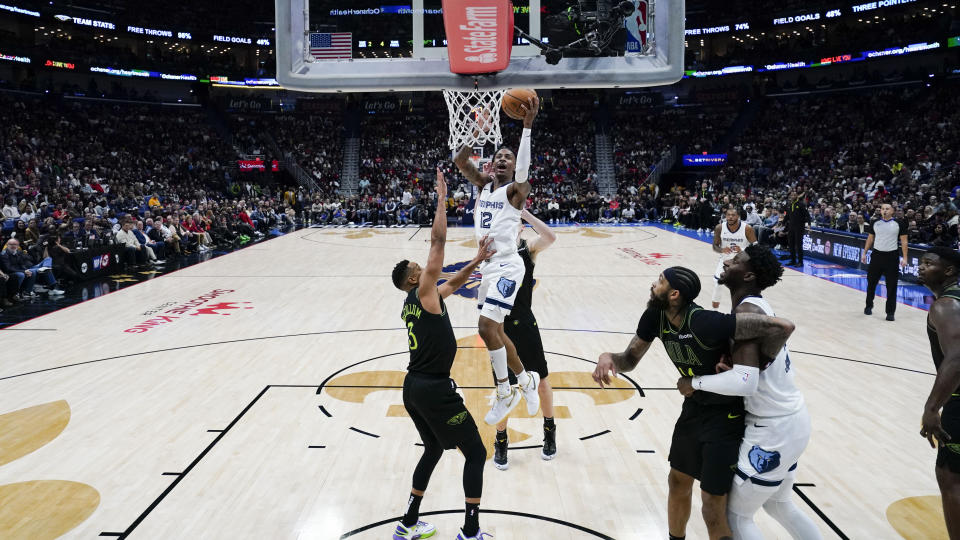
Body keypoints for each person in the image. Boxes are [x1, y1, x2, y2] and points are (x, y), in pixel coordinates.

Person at [593, 266, 796, 540]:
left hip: (727, 417)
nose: (654, 284)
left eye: (661, 282)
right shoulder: (655, 316)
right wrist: (608, 356)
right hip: (693, 408)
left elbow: (783, 327)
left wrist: (759, 364)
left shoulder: (704, 321)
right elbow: (629, 359)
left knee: (712, 505)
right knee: (677, 482)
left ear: (674, 294)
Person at [678, 245, 822, 540]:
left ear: (749, 275)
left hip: (772, 429)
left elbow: (746, 382)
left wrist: (694, 382)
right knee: (780, 506)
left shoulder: (747, 311)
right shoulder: (756, 307)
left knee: (736, 517)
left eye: (737, 260)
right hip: (790, 421)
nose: (728, 261)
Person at [390, 169, 496, 540]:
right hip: (433, 390)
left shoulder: (422, 298)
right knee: (476, 453)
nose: (425, 268)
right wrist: (441, 198)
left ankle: (408, 522)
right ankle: (470, 530)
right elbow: (437, 241)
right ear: (410, 281)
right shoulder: (421, 292)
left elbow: (452, 282)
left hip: (414, 388)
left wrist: (478, 261)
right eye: (418, 270)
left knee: (433, 448)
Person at [454, 94, 542, 426]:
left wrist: (527, 128)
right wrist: (473, 133)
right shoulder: (484, 186)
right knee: (498, 332)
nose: (503, 160)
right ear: (491, 165)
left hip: (508, 264)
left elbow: (523, 169)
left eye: (508, 156)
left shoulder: (515, 192)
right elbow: (461, 162)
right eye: (498, 157)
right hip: (488, 267)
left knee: (485, 328)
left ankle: (506, 391)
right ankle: (526, 380)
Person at [492, 208, 558, 470]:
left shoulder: (528, 250)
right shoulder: (492, 249)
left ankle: (550, 430)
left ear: (519, 227)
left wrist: (525, 213)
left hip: (525, 324)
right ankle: (500, 439)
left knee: (541, 381)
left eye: (514, 223)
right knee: (503, 387)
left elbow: (551, 237)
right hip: (500, 327)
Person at [918, 247, 960, 539]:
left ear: (949, 271)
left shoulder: (946, 305)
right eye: (921, 262)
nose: (921, 267)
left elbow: (957, 358)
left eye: (929, 263)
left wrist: (932, 408)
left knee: (951, 477)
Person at [861, 203, 908, 321]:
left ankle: (890, 312)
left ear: (893, 211)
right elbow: (870, 238)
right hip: (877, 255)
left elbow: (904, 242)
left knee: (891, 285)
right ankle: (868, 305)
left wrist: (905, 258)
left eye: (887, 209)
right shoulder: (875, 222)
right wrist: (864, 253)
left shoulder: (899, 223)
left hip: (892, 257)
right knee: (871, 282)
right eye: (882, 209)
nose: (884, 211)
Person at [711, 206, 757, 309]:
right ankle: (714, 310)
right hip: (725, 261)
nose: (730, 217)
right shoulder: (720, 228)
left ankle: (742, 309)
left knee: (742, 287)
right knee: (718, 284)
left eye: (733, 215)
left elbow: (756, 247)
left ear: (738, 216)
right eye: (728, 215)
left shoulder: (747, 228)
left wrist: (742, 250)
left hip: (742, 262)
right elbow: (714, 246)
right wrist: (722, 250)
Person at [784, 192, 809, 267]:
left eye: (794, 195)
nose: (793, 196)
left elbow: (807, 215)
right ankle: (793, 260)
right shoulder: (789, 205)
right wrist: (782, 223)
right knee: (791, 244)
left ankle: (800, 262)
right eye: (792, 195)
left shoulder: (801, 204)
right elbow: (787, 216)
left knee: (798, 245)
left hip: (799, 227)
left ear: (797, 196)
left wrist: (809, 225)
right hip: (791, 227)